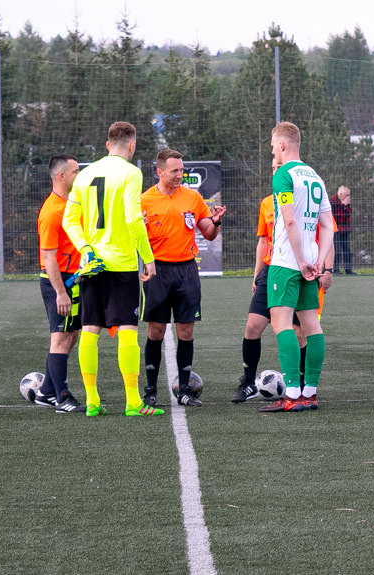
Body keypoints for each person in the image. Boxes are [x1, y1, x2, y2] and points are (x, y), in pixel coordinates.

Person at [62, 121, 163, 417]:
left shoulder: (86, 173)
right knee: (128, 331)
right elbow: (133, 220)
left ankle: (92, 402)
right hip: (120, 266)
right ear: (131, 145)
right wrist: (148, 256)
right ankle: (133, 402)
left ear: (107, 144)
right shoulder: (131, 173)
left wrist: (86, 250)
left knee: (90, 330)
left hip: (92, 266)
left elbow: (69, 219)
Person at [230, 158, 335, 403]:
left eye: (278, 163)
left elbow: (322, 228)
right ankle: (259, 384)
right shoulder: (272, 200)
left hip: (291, 265)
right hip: (277, 268)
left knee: (291, 328)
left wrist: (326, 267)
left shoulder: (295, 187)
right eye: (273, 166)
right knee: (255, 326)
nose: (276, 170)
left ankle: (294, 390)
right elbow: (264, 240)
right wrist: (257, 273)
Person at [140, 149, 226, 408]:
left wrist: (216, 222)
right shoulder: (144, 200)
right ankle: (151, 390)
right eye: (175, 170)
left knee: (185, 331)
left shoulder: (192, 197)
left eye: (182, 169)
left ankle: (185, 390)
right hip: (158, 272)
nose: (180, 174)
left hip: (187, 271)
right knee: (156, 331)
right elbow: (134, 240)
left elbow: (208, 233)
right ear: (160, 171)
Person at [260, 121, 333, 413]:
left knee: (281, 325)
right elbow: (327, 225)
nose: (272, 152)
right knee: (312, 326)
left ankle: (291, 394)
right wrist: (317, 259)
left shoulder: (283, 176)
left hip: (286, 262)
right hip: (310, 262)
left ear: (281, 145)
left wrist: (301, 259)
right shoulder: (315, 177)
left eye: (272, 146)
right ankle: (310, 393)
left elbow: (289, 221)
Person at [33, 154, 86, 414]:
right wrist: (60, 293)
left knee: (70, 335)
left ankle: (46, 392)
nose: (80, 175)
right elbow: (48, 257)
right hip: (59, 281)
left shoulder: (72, 204)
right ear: (62, 176)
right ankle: (62, 398)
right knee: (60, 339)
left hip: (73, 279)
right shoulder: (52, 212)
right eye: (76, 171)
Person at [330, 185, 354, 274]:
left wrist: (345, 206)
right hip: (336, 229)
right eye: (347, 195)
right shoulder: (333, 201)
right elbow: (334, 215)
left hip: (345, 229)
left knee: (347, 249)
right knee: (336, 249)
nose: (348, 197)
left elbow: (348, 215)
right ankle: (335, 269)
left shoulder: (347, 203)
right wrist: (342, 205)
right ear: (341, 194)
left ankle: (348, 269)